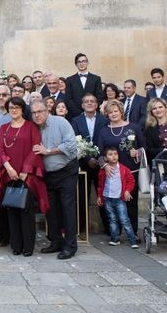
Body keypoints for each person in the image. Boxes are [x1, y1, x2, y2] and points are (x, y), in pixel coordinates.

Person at [0, 97, 48, 257]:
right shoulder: (3, 128)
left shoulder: (31, 127)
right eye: (11, 108)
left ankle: (28, 246)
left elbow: (35, 149)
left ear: (23, 109)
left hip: (26, 176)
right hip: (9, 175)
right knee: (12, 210)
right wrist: (8, 168)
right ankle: (16, 245)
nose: (14, 110)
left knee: (26, 211)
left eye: (17, 107)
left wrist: (25, 171)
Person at [30, 99, 79, 260]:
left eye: (40, 111)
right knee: (51, 210)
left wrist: (48, 151)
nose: (37, 115)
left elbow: (71, 145)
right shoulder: (33, 127)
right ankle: (56, 241)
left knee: (68, 209)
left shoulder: (61, 123)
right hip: (47, 175)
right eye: (34, 112)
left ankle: (70, 246)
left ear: (47, 111)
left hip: (65, 172)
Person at [98, 99, 145, 234]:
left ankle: (133, 233)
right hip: (112, 173)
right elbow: (99, 152)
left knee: (131, 203)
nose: (113, 114)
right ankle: (115, 233)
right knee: (113, 203)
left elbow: (144, 147)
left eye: (115, 111)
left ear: (121, 112)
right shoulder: (104, 131)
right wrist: (105, 165)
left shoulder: (134, 127)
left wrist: (137, 152)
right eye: (110, 112)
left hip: (131, 171)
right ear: (107, 114)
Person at [71, 93, 110, 234]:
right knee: (81, 196)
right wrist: (88, 159)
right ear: (82, 105)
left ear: (96, 104)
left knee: (104, 195)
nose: (89, 103)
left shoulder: (104, 120)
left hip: (101, 163)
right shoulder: (75, 121)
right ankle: (81, 227)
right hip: (83, 163)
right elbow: (75, 141)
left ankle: (108, 227)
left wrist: (99, 158)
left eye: (92, 101)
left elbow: (106, 140)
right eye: (86, 101)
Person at [96, 147, 139, 247]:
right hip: (107, 197)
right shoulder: (103, 171)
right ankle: (115, 239)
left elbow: (131, 181)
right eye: (110, 154)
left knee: (124, 219)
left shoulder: (124, 169)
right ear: (105, 158)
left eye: (115, 154)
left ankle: (132, 240)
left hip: (119, 198)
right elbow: (100, 185)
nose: (114, 156)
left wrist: (127, 191)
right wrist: (99, 196)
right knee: (112, 219)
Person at [65, 53, 103, 117]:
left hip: (93, 114)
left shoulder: (96, 79)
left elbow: (99, 97)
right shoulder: (69, 80)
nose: (81, 64)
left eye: (83, 61)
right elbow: (68, 99)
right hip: (75, 115)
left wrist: (90, 110)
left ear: (87, 63)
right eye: (79, 62)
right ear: (76, 64)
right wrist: (78, 113)